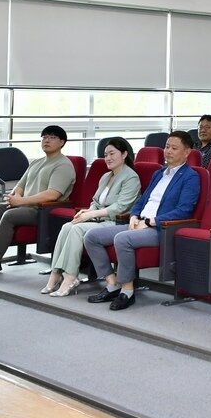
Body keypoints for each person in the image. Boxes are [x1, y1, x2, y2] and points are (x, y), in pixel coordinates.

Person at [84, 131, 200, 311]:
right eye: (167, 146)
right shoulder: (159, 174)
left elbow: (184, 211)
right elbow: (141, 201)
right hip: (139, 223)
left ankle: (127, 291)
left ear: (187, 152)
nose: (168, 151)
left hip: (160, 229)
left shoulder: (190, 177)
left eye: (174, 148)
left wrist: (150, 222)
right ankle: (112, 284)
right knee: (92, 236)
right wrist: (133, 216)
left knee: (122, 238)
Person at [0, 126, 76, 281]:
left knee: (10, 215)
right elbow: (20, 186)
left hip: (43, 210)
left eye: (52, 137)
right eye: (44, 137)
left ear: (62, 142)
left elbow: (52, 194)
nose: (46, 140)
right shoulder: (37, 162)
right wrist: (15, 196)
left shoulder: (63, 165)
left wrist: (20, 201)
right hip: (24, 205)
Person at [40, 138, 140, 297]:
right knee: (67, 226)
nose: (108, 158)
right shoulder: (106, 176)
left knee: (77, 229)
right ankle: (55, 274)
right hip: (98, 219)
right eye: (106, 154)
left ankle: (70, 277)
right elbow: (95, 201)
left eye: (112, 153)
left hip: (114, 222)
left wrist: (91, 214)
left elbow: (120, 207)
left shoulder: (131, 177)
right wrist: (86, 212)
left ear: (124, 154)